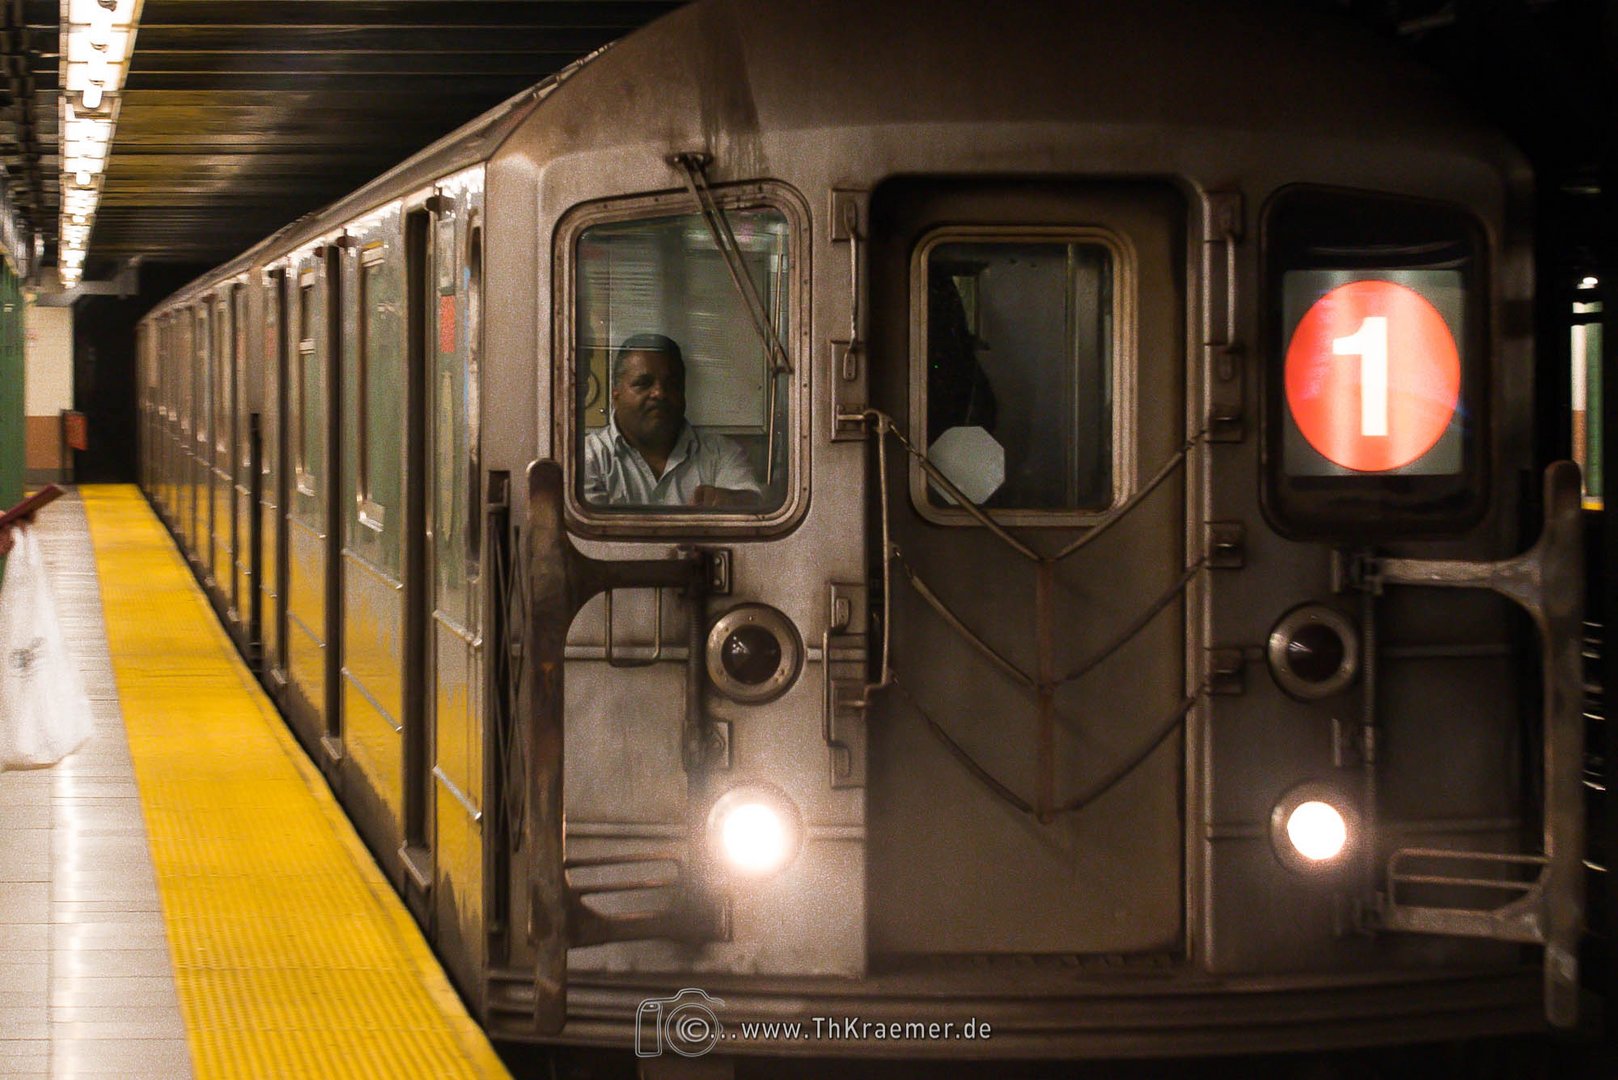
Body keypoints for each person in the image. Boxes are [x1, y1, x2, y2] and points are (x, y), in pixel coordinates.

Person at [582, 333, 762, 509]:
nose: (659, 393)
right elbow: (593, 537)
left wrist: (730, 500)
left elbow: (755, 509)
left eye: (672, 384)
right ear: (616, 394)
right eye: (643, 383)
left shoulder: (721, 453)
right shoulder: (588, 458)